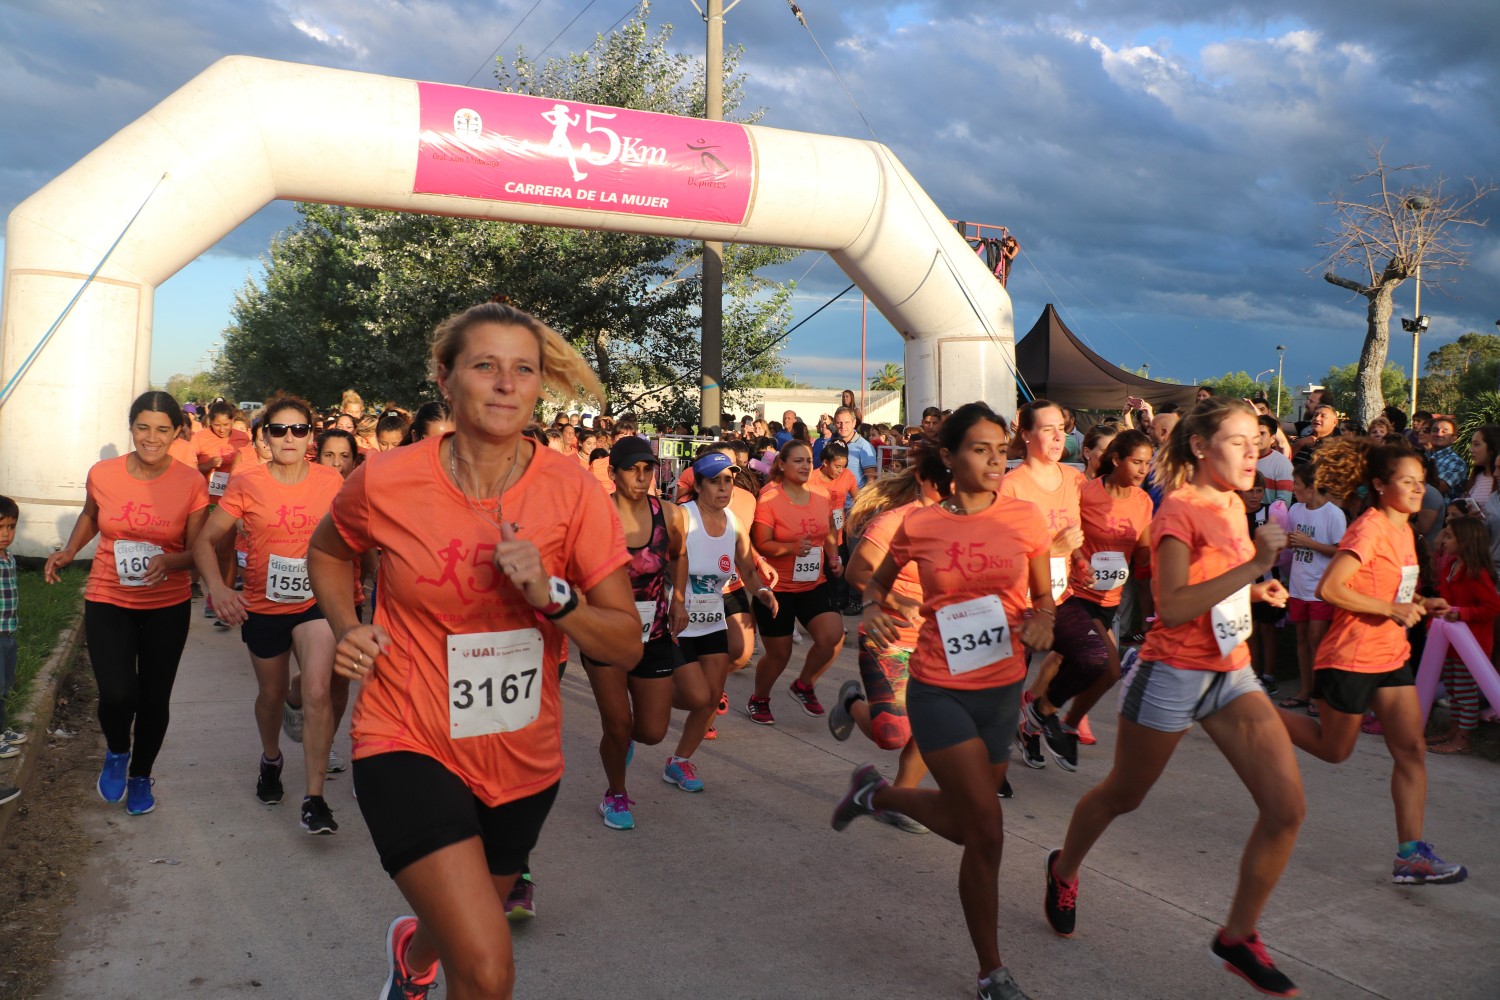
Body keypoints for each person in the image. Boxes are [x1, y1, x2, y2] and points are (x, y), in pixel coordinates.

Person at [306, 301, 639, 999]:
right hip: (407, 736)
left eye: (523, 370)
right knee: (487, 969)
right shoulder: (388, 479)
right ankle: (430, 957)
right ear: (445, 378)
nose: (505, 383)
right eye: (485, 365)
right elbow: (330, 553)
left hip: (520, 755)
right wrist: (346, 626)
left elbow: (626, 642)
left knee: (463, 925)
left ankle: (412, 953)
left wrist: (556, 597)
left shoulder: (574, 492)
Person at [1045, 397, 1306, 1000]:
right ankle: (1063, 868)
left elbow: (1223, 586)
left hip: (1231, 670)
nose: (1254, 450)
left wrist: (1256, 587)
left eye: (1257, 440)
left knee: (1286, 808)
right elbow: (1176, 604)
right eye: (1238, 441)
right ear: (1198, 446)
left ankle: (1237, 937)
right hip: (1172, 673)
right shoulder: (1180, 511)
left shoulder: (1235, 506)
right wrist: (1256, 567)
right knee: (1122, 795)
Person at [830, 401, 1055, 1000]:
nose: (994, 458)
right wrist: (875, 609)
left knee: (970, 825)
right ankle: (992, 972)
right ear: (950, 457)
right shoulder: (921, 524)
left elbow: (1043, 597)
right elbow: (873, 582)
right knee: (988, 830)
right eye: (980, 448)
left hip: (1002, 690)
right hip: (939, 688)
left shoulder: (1026, 519)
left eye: (1000, 448)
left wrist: (1044, 622)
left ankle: (874, 793)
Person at [1277, 436, 1467, 885]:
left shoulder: (1405, 529)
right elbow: (1331, 588)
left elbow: (1389, 589)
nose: (1419, 489)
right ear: (1381, 485)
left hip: (1390, 655)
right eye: (1408, 481)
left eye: (1421, 481)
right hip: (1351, 656)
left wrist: (1423, 600)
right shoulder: (1370, 527)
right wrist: (1392, 610)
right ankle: (1242, 708)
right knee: (1333, 749)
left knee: (1411, 749)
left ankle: (1410, 855)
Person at [45, 392, 210, 816]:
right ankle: (118, 750)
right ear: (131, 427)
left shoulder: (191, 483)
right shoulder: (103, 473)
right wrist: (69, 550)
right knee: (118, 693)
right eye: (142, 427)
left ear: (177, 432)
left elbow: (199, 550)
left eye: (161, 429)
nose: (150, 438)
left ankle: (140, 773)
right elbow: (89, 515)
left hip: (166, 604)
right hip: (109, 597)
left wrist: (170, 560)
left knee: (155, 698)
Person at [194, 395, 347, 834]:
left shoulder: (331, 481)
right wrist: (219, 588)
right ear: (265, 436)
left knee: (318, 690)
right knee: (271, 697)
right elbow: (206, 541)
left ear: (311, 437)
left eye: (299, 429)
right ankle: (271, 759)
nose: (289, 438)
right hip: (263, 606)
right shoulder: (248, 483)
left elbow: (358, 532)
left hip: (315, 602)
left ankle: (315, 798)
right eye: (279, 430)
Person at [579, 436, 709, 830]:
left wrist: (679, 599)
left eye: (647, 469)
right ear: (613, 473)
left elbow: (678, 555)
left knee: (651, 731)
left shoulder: (668, 514)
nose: (640, 477)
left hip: (650, 635)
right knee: (617, 725)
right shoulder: (595, 515)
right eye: (631, 469)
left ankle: (624, 744)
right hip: (603, 634)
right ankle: (614, 794)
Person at [828, 461, 939, 829]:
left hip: (940, 645)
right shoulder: (895, 522)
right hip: (890, 637)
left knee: (932, 726)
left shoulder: (968, 524)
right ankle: (852, 703)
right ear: (925, 478)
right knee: (891, 735)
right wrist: (899, 601)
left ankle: (899, 799)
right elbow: (857, 571)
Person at [1001, 400, 1106, 773]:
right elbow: (1004, 555)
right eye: (1048, 429)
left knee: (1095, 659)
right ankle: (991, 768)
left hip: (1058, 597)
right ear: (1026, 434)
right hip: (1016, 601)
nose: (1059, 435)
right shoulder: (1011, 486)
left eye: (1062, 427)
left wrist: (1078, 560)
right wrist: (1052, 550)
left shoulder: (1075, 479)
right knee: (1005, 687)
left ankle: (1037, 716)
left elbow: (1071, 536)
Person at [672, 451, 778, 767]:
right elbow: (662, 564)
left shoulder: (733, 522)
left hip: (712, 622)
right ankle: (650, 692)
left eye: (728, 481)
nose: (723, 488)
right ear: (699, 485)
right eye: (714, 481)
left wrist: (761, 590)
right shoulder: (681, 517)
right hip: (677, 623)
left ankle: (679, 762)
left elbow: (746, 568)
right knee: (696, 697)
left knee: (709, 699)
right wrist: (674, 600)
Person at [1060, 429, 1154, 744]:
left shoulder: (1143, 501)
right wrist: (1077, 558)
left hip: (1111, 598)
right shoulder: (1087, 493)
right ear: (1116, 459)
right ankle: (1060, 720)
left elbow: (1141, 556)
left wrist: (1159, 543)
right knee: (1109, 670)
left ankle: (1039, 708)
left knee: (1080, 665)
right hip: (1078, 594)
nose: (1144, 470)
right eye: (1138, 462)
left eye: (1148, 463)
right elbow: (1067, 536)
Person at [747, 440, 844, 723]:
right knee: (779, 655)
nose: (805, 466)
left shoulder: (822, 494)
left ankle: (804, 684)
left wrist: (834, 557)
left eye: (808, 461)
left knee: (832, 636)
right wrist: (790, 548)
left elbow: (829, 532)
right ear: (782, 464)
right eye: (798, 461)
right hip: (777, 588)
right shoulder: (769, 498)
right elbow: (761, 544)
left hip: (814, 582)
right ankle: (760, 698)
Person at [1427, 517, 1500, 755]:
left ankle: (1463, 738)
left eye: (1449, 536)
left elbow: (1492, 607)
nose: (1444, 540)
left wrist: (1462, 613)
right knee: (1453, 687)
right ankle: (1454, 730)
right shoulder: (1451, 566)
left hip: (1471, 644)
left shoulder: (1476, 573)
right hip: (1450, 642)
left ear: (1465, 541)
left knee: (1465, 691)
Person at [1279, 463, 1344, 712]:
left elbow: (1341, 551)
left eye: (1296, 484)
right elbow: (1291, 541)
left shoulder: (1333, 514)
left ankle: (1321, 695)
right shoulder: (1295, 509)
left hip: (1320, 589)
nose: (1292, 488)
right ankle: (1305, 690)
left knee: (1318, 640)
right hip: (1297, 585)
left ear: (1311, 487)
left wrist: (1310, 543)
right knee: (1301, 639)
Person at [0, 497, 24, 770]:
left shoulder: (9, 559)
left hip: (7, 632)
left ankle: (2, 729)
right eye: (0, 527)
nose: (5, 535)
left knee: (5, 684)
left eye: (11, 527)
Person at [1256, 414, 1294, 507]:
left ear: (1272, 438)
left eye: (1262, 433)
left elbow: (1283, 503)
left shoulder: (1282, 464)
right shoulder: (1240, 459)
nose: (1257, 437)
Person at [1425, 417, 1466, 499]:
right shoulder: (1423, 456)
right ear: (1429, 435)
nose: (1439, 434)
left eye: (1444, 432)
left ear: (1454, 438)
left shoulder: (1456, 462)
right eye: (1435, 430)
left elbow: (1438, 488)